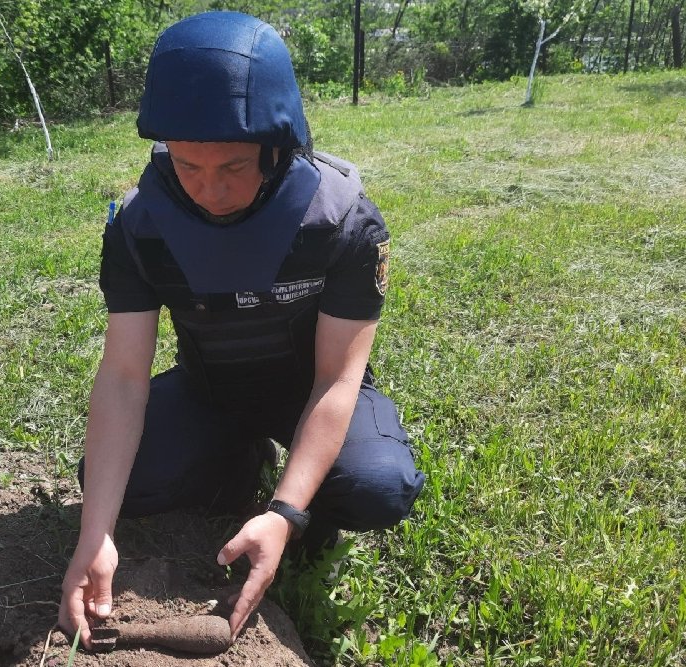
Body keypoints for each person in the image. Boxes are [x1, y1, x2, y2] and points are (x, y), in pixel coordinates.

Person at [57, 10, 425, 649]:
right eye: (189, 166)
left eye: (233, 167)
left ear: (279, 144)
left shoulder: (341, 223)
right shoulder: (140, 230)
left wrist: (285, 515)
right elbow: (122, 379)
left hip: (310, 392)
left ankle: (301, 510)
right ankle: (240, 457)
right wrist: (97, 537)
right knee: (113, 486)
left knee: (377, 486)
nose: (208, 190)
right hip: (211, 388)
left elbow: (339, 379)